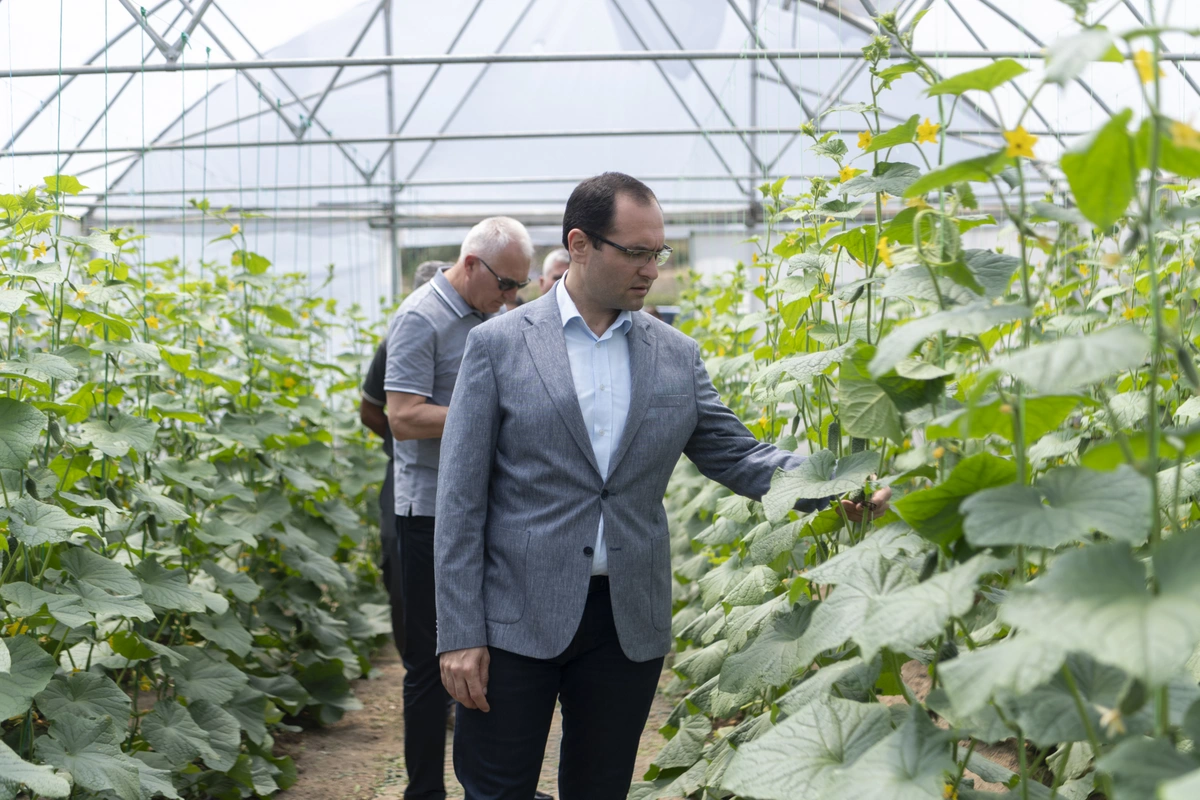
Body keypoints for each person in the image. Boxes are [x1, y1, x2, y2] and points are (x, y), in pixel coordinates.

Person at [434, 172, 892, 799]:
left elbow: (738, 454)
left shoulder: (675, 354)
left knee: (600, 789)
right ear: (580, 244)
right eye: (636, 252)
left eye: (659, 253)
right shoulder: (498, 345)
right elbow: (460, 500)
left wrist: (832, 485)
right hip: (513, 613)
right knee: (496, 790)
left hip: (626, 619)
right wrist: (459, 632)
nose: (652, 269)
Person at [383, 221, 534, 800]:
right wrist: (487, 412)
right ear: (470, 264)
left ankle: (489, 784)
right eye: (505, 284)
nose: (511, 297)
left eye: (519, 287)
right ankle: (424, 791)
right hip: (428, 515)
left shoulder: (487, 315)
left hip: (481, 506)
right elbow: (401, 416)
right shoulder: (421, 318)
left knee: (487, 651)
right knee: (430, 663)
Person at [359, 261, 452, 654]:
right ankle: (414, 656)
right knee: (398, 566)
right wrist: (403, 442)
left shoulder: (475, 332)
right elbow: (370, 410)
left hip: (447, 476)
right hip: (406, 476)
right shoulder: (400, 337)